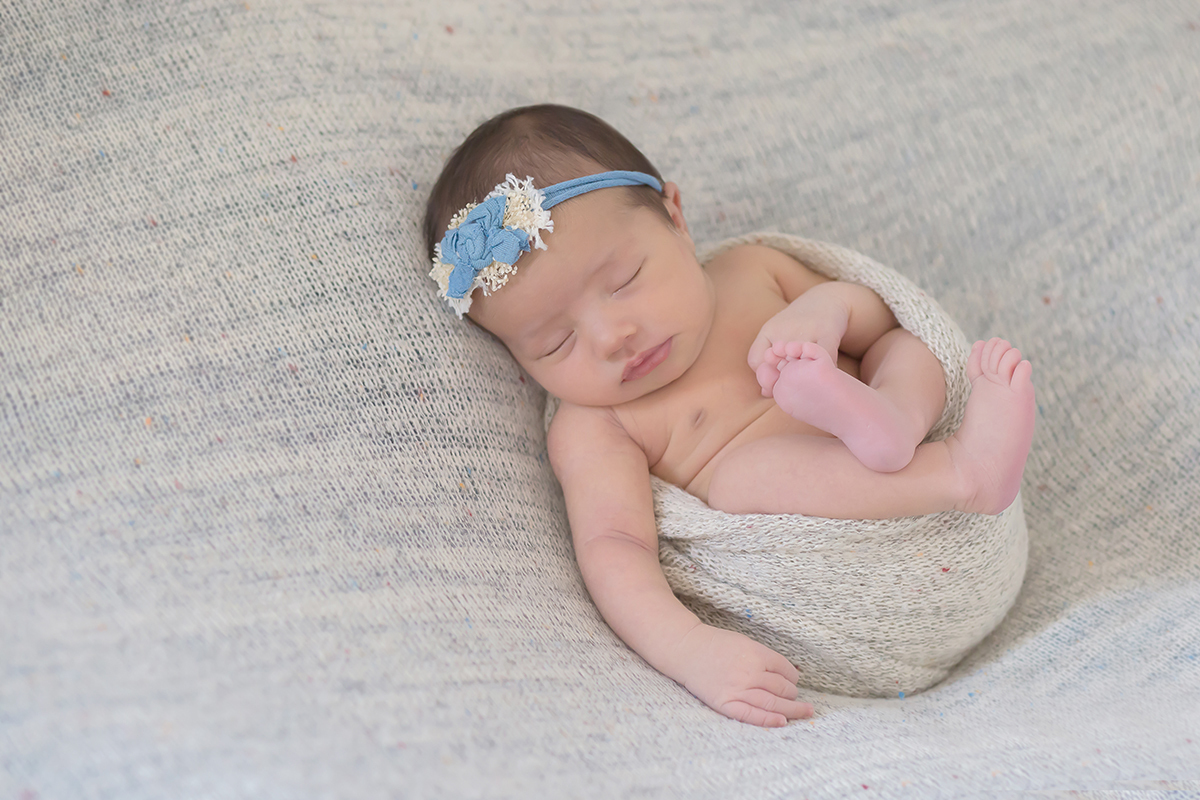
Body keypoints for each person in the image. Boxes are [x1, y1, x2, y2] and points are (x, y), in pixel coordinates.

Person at [422, 104, 1036, 728]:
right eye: (555, 342)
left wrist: (828, 311)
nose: (613, 336)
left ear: (676, 218)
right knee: (744, 477)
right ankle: (959, 471)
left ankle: (896, 425)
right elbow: (615, 546)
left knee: (904, 345)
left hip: (905, 438)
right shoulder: (596, 426)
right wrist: (693, 652)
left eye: (625, 279)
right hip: (873, 575)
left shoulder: (752, 268)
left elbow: (882, 318)